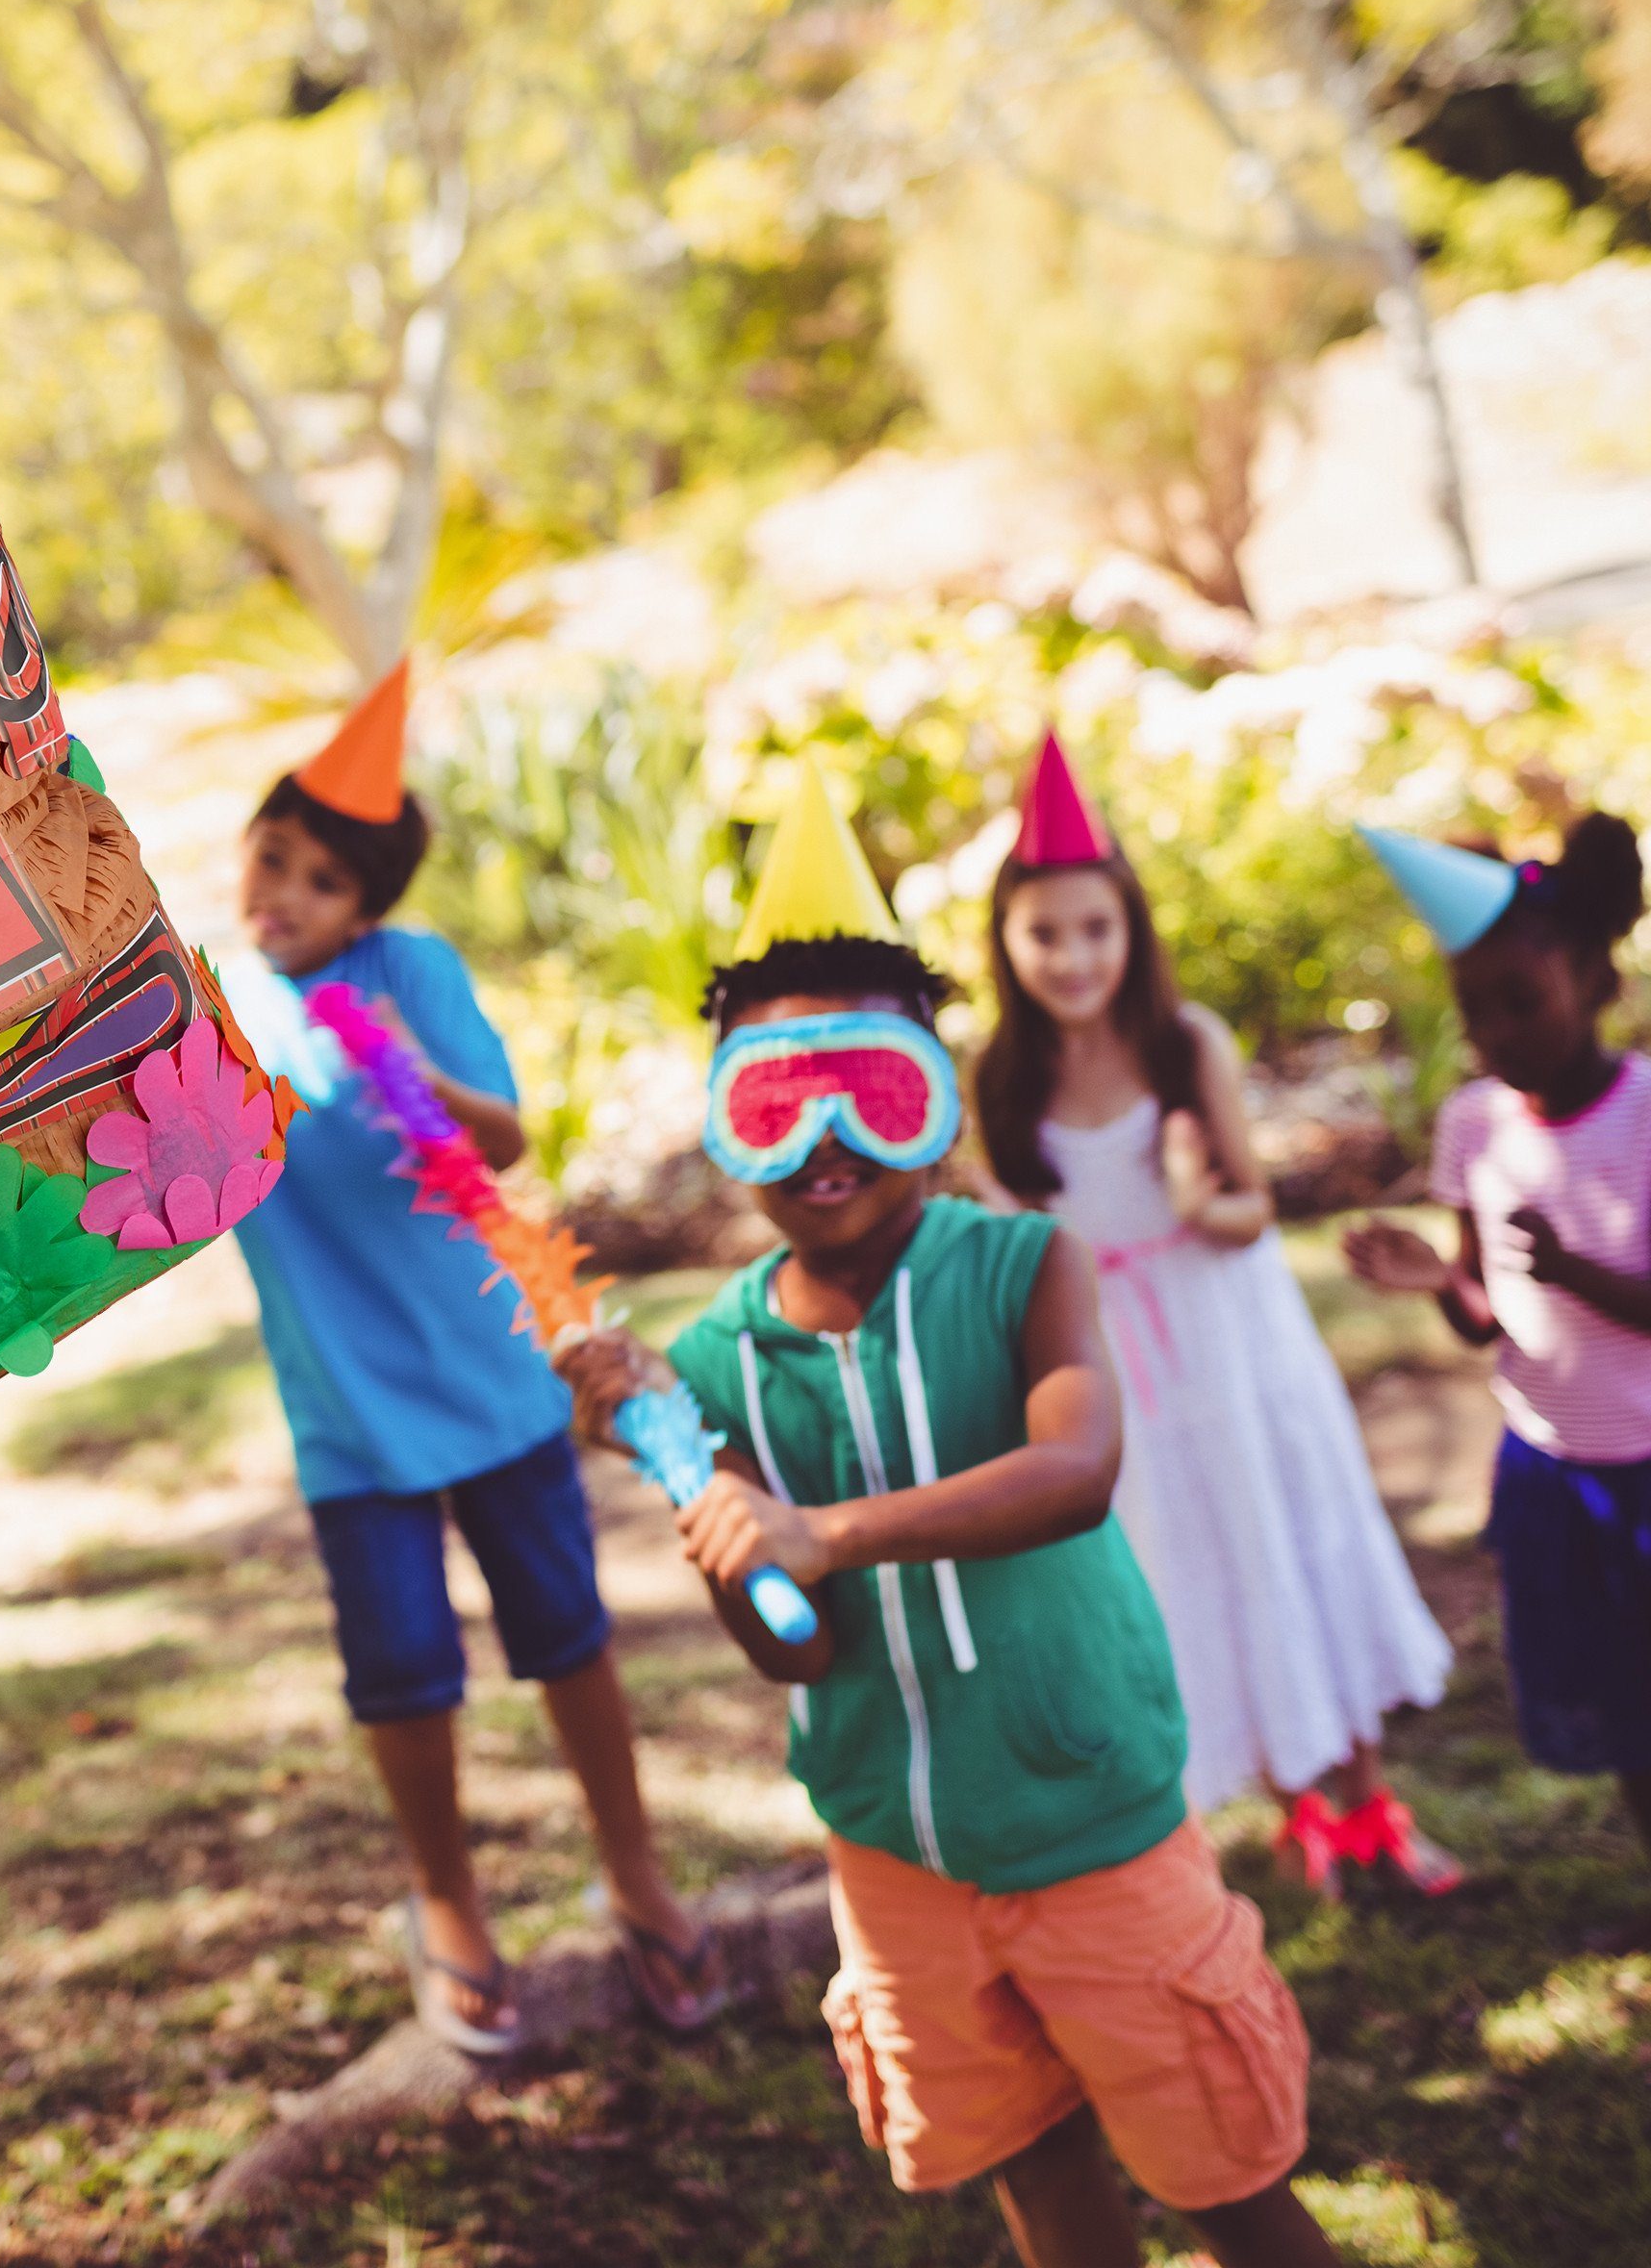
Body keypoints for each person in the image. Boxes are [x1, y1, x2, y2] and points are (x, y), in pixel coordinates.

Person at [558, 762, 1342, 2268]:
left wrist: (826, 1534)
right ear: (727, 1123)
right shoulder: (717, 1358)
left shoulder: (1025, 1265)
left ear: (935, 1098)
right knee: (1035, 2174)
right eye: (776, 1100)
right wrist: (698, 1486)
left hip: (1093, 1827)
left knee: (1224, 2177)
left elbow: (1078, 1470)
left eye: (875, 1087)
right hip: (894, 1856)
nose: (827, 1137)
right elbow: (790, 1648)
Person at [226, 662, 721, 2054]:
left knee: (567, 1634)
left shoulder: (412, 972)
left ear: (365, 907)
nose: (289, 894)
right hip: (349, 1406)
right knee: (401, 1667)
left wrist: (403, 1070)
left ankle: (635, 1872)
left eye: (324, 882)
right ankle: (443, 1900)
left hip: (491, 1372)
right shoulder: (206, 996)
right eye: (276, 859)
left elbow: (499, 1137)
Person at [973, 731, 1456, 1895]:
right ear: (1005, 941)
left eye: (1095, 927)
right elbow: (1017, 1243)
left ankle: (1367, 1796)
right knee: (1193, 1554)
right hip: (1120, 1366)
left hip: (1231, 1344)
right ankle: (1298, 1805)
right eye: (1044, 932)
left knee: (1282, 1534)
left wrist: (1200, 1196)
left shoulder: (1185, 1045)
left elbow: (1247, 1210)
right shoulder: (1000, 1081)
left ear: (1130, 928)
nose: (1073, 955)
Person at [1346, 810, 1651, 1862]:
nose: (1497, 1034)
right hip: (1549, 1472)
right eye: (1476, 1013)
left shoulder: (1645, 1113)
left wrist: (1570, 1267)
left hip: (1645, 1467)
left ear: (1595, 983)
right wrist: (1437, 1280)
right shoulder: (1474, 1122)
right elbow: (1486, 1317)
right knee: (1620, 1707)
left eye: (1521, 1002)